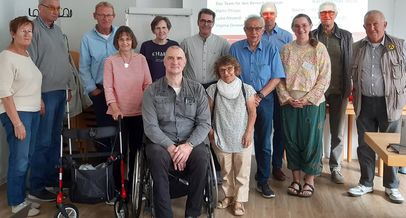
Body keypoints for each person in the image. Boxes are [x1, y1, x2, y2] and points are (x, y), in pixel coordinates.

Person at [142, 46, 211, 218]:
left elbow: (204, 123)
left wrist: (187, 146)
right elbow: (150, 126)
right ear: (164, 62)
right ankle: (164, 215)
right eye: (171, 58)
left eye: (179, 58)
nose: (175, 62)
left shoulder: (197, 90)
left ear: (185, 62)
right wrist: (171, 148)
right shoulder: (152, 90)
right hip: (162, 144)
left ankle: (192, 214)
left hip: (191, 142)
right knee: (156, 157)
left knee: (202, 157)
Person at [347, 10, 406, 204]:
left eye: (375, 24)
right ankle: (366, 182)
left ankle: (392, 186)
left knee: (392, 148)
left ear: (385, 24)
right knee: (365, 146)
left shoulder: (398, 45)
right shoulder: (357, 47)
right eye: (368, 25)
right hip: (364, 101)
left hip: (389, 103)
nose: (372, 28)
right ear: (363, 27)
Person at [230, 15, 285, 198]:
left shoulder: (271, 49)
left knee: (263, 142)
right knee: (240, 140)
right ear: (244, 30)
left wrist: (259, 95)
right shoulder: (235, 48)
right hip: (240, 99)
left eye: (257, 28)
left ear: (263, 30)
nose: (254, 32)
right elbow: (231, 75)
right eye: (250, 28)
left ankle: (263, 181)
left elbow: (276, 77)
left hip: (265, 100)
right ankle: (237, 182)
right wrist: (247, 96)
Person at [277, 13, 331, 198]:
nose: (301, 29)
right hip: (289, 104)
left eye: (304, 25)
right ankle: (296, 179)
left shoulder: (319, 49)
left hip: (313, 104)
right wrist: (287, 98)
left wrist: (308, 99)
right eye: (297, 26)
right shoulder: (285, 50)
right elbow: (279, 79)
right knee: (292, 141)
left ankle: (309, 181)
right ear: (292, 28)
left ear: (310, 26)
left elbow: (324, 78)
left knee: (311, 142)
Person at [28, 0, 72, 201]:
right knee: (42, 141)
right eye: (52, 8)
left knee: (56, 140)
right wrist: (37, 97)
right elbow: (30, 65)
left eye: (58, 8)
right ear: (40, 8)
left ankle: (52, 179)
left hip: (60, 92)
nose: (56, 12)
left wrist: (68, 86)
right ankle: (35, 186)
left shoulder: (58, 30)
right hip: (44, 94)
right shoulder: (33, 29)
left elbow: (64, 59)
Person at [0, 16, 42, 217]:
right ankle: (16, 202)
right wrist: (17, 123)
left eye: (30, 31)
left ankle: (22, 197)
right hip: (18, 113)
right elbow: (5, 93)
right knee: (19, 159)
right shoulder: (6, 57)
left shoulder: (26, 55)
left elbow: (30, 82)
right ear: (13, 33)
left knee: (27, 158)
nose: (27, 34)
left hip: (32, 112)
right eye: (23, 30)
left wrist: (39, 101)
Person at [207, 56, 256, 216]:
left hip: (242, 137)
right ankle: (228, 196)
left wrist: (248, 132)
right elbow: (207, 113)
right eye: (222, 70)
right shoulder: (213, 89)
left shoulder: (246, 89)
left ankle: (239, 201)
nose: (226, 73)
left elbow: (252, 112)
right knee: (226, 171)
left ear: (235, 69)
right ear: (218, 72)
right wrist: (210, 130)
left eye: (229, 69)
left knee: (242, 170)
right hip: (221, 136)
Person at [104, 25, 152, 189]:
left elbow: (147, 84)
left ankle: (134, 185)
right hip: (119, 114)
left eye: (128, 39)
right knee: (120, 152)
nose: (125, 42)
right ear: (117, 41)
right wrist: (115, 107)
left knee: (137, 151)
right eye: (121, 39)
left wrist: (146, 105)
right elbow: (108, 87)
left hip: (139, 113)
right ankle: (119, 187)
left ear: (132, 41)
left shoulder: (141, 59)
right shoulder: (110, 61)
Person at [312, 1, 353, 184]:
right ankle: (316, 164)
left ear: (335, 15)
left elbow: (349, 63)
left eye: (330, 12)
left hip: (339, 90)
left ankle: (335, 167)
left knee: (337, 131)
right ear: (319, 16)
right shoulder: (313, 35)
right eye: (323, 13)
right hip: (317, 91)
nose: (326, 16)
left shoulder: (345, 36)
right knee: (316, 129)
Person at [260, 1, 293, 181]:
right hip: (262, 91)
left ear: (276, 15)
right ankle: (262, 167)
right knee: (263, 131)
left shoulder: (287, 37)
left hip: (281, 90)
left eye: (271, 14)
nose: (268, 17)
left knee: (280, 130)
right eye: (265, 14)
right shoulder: (257, 34)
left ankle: (277, 166)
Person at [79, 1, 117, 152]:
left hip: (120, 91)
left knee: (121, 129)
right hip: (100, 91)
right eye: (101, 15)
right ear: (94, 16)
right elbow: (84, 67)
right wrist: (92, 89)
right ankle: (105, 168)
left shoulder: (121, 34)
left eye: (108, 15)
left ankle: (120, 169)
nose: (105, 18)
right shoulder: (87, 38)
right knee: (104, 130)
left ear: (114, 16)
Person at [181, 8, 230, 88]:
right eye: (203, 21)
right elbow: (179, 65)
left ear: (213, 23)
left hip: (214, 87)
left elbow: (229, 65)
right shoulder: (186, 43)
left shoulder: (223, 43)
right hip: (191, 86)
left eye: (209, 21)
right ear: (198, 22)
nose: (206, 24)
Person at [140, 16, 179, 81]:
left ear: (168, 29)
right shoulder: (146, 46)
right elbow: (142, 69)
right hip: (152, 86)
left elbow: (179, 66)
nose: (161, 31)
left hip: (171, 84)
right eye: (158, 28)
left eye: (164, 28)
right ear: (153, 30)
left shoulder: (174, 45)